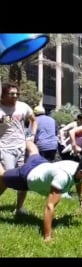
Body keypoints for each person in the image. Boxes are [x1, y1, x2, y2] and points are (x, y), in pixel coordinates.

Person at [0, 141, 82, 242]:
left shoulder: (77, 167)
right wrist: (47, 236)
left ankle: (26, 138)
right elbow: (49, 206)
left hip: (42, 164)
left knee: (33, 150)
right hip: (27, 176)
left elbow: (78, 182)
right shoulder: (63, 177)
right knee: (2, 176)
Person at [0, 82, 37, 214]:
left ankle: (19, 208)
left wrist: (31, 135)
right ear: (3, 94)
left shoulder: (23, 107)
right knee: (7, 179)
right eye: (12, 94)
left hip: (21, 148)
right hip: (5, 149)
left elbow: (33, 120)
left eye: (17, 93)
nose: (15, 96)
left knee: (24, 178)